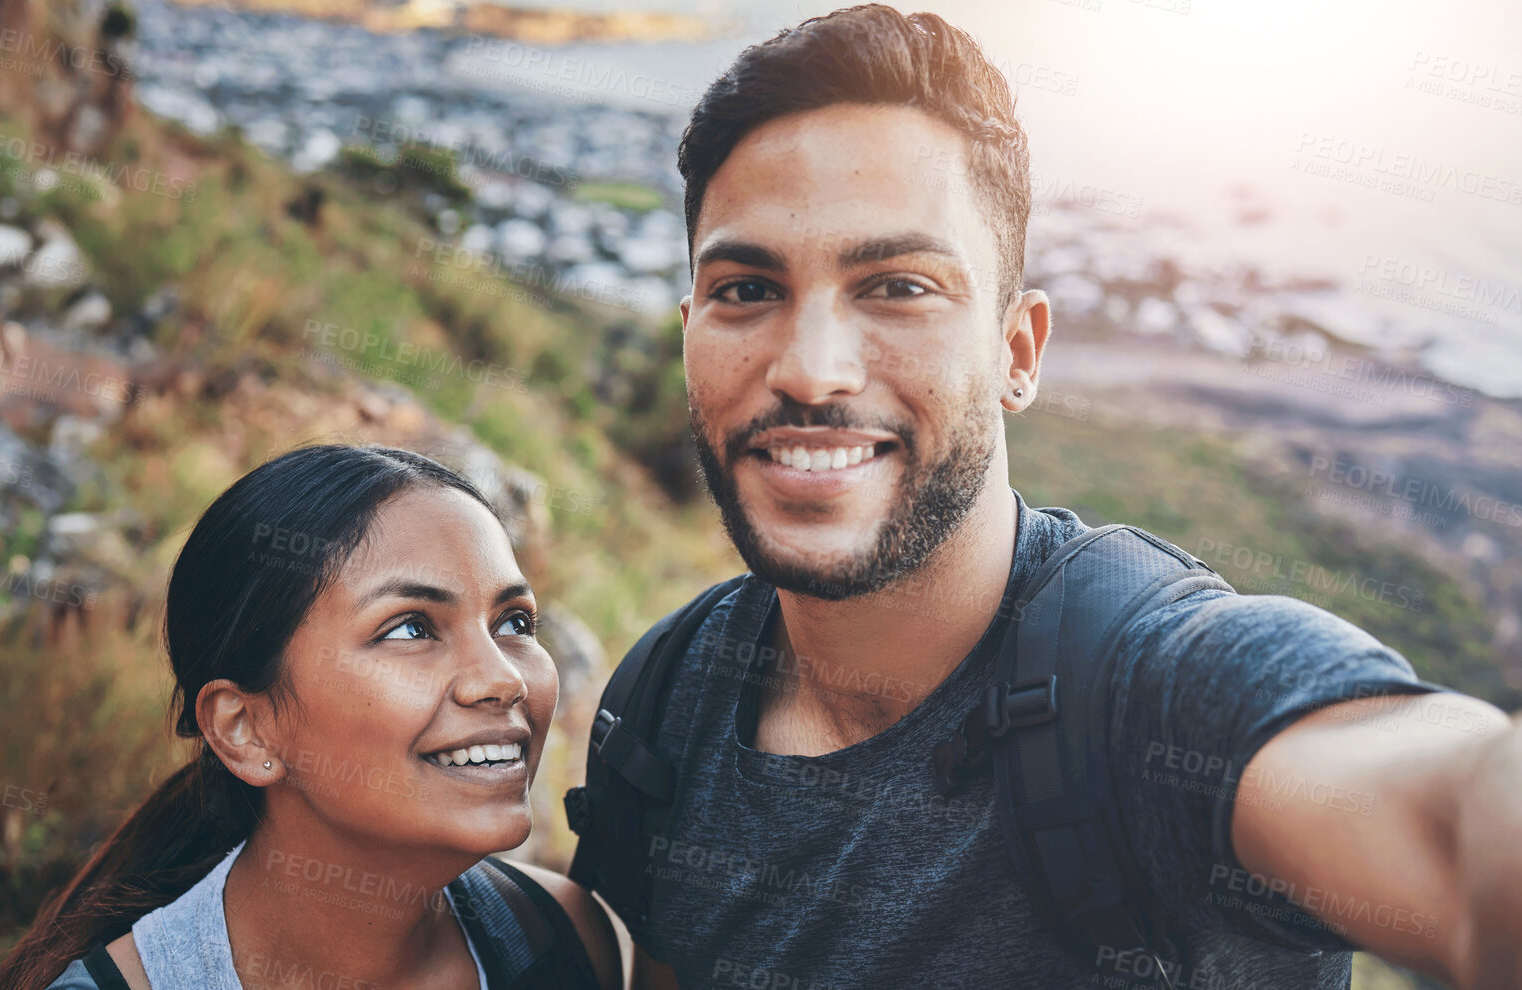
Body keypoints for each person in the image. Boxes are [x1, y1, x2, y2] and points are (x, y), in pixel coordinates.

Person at [578, 6, 1522, 989]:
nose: (813, 372)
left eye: (899, 286)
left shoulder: (1158, 701)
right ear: (689, 331)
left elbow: (1448, 817)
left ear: (1017, 352)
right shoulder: (664, 700)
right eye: (746, 291)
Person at [0, 444, 620, 990]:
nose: (504, 678)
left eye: (514, 622)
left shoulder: (561, 936)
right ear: (243, 729)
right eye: (409, 628)